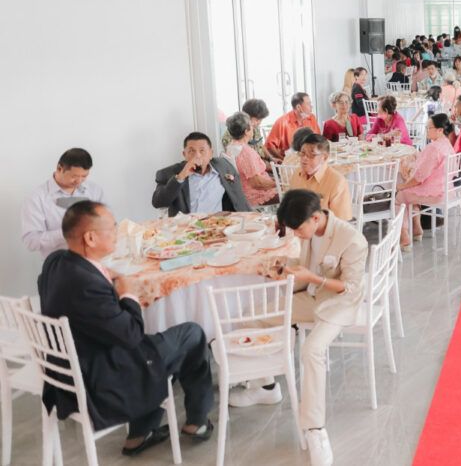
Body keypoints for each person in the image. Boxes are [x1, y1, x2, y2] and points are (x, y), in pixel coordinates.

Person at [39, 201, 214, 455]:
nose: (117, 232)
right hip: (103, 379)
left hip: (69, 372)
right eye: (112, 227)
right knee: (192, 334)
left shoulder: (55, 263)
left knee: (165, 348)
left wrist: (102, 273)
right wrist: (127, 295)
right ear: (90, 238)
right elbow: (132, 335)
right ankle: (196, 421)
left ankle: (141, 433)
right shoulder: (88, 285)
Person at [228, 190, 366, 466]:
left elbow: (350, 288)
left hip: (339, 303)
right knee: (250, 316)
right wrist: (283, 269)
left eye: (298, 228)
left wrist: (312, 277)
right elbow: (299, 264)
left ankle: (315, 430)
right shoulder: (304, 229)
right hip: (310, 295)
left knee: (312, 350)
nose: (295, 234)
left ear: (316, 218)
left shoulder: (351, 239)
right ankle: (266, 386)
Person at [22, 148, 105, 259]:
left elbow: (105, 224)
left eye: (84, 176)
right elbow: (31, 241)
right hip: (60, 264)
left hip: (95, 261)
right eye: (74, 176)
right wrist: (67, 232)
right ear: (59, 168)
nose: (79, 181)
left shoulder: (95, 190)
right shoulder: (37, 198)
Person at [153, 133, 251, 216]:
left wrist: (250, 218)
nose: (197, 155)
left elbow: (239, 198)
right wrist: (180, 177)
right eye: (191, 151)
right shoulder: (169, 173)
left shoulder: (224, 166)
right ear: (184, 154)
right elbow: (158, 203)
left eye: (202, 150)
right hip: (187, 228)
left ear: (211, 153)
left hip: (217, 225)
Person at [397, 113, 457, 250]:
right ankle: (417, 229)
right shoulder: (446, 144)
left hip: (435, 193)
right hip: (446, 189)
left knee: (400, 196)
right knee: (410, 193)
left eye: (429, 128)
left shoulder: (434, 148)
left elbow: (419, 178)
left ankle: (404, 237)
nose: (426, 131)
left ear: (439, 130)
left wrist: (402, 186)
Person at [288, 134, 353, 220]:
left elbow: (341, 222)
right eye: (302, 153)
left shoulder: (337, 182)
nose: (304, 158)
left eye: (311, 155)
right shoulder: (297, 173)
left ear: (324, 157)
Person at [224, 112, 278, 207]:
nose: (253, 128)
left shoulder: (230, 147)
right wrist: (278, 183)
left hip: (244, 194)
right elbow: (257, 183)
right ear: (246, 131)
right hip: (257, 196)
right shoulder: (245, 152)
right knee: (294, 195)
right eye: (251, 126)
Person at [266, 92, 320, 160]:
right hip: (290, 160)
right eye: (308, 104)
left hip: (310, 158)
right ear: (298, 107)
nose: (311, 106)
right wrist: (283, 160)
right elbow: (269, 146)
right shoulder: (282, 122)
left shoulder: (311, 117)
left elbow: (318, 138)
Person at [220, 98, 271, 162]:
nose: (259, 123)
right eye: (257, 120)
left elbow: (260, 145)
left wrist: (271, 158)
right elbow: (238, 160)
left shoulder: (255, 128)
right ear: (246, 116)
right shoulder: (234, 133)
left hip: (260, 161)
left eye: (261, 120)